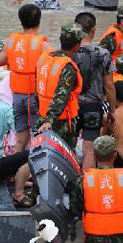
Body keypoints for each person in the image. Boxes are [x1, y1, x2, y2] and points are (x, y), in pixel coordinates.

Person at [0, 4, 52, 152]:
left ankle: (14, 171)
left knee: (20, 139)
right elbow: (54, 66)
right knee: (38, 136)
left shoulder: (11, 41)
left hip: (17, 97)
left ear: (21, 22)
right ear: (39, 22)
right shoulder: (43, 45)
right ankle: (34, 171)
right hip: (35, 97)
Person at [74, 11, 117, 171]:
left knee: (67, 146)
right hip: (93, 107)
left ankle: (69, 183)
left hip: (72, 108)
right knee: (89, 149)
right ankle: (87, 185)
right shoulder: (103, 54)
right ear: (93, 31)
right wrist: (112, 111)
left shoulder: (68, 53)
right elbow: (110, 86)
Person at [36, 25, 85, 154]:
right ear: (77, 45)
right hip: (59, 123)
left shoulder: (45, 58)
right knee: (64, 155)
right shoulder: (67, 67)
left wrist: (44, 118)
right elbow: (61, 96)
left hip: (42, 116)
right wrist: (50, 120)